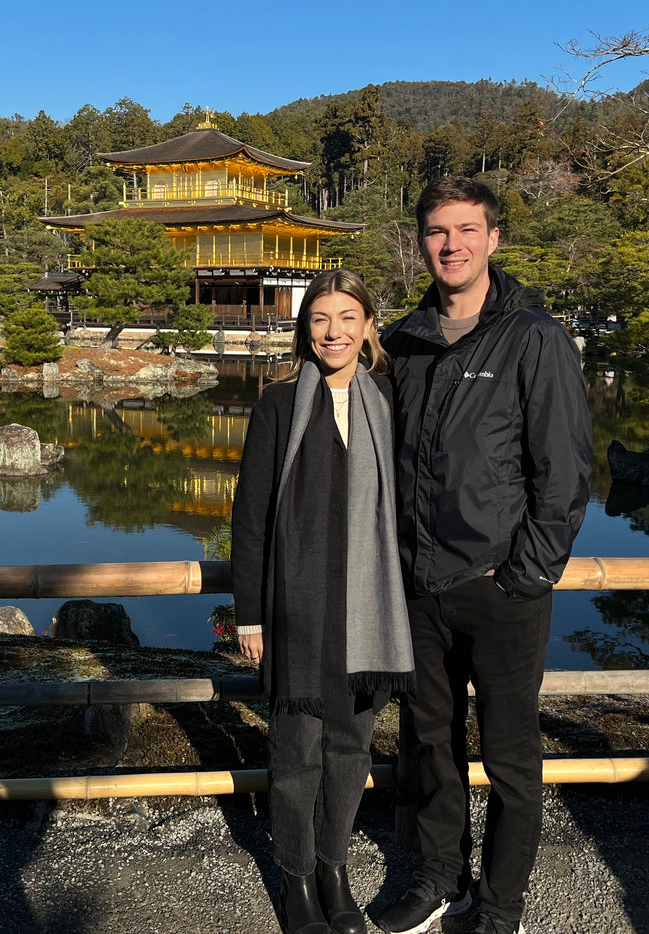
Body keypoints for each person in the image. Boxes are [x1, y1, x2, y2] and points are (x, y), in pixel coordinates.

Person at [375, 177, 593, 934]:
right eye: (437, 231)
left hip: (501, 586)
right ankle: (440, 879)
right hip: (417, 585)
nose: (451, 245)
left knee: (509, 759)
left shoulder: (532, 335)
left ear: (493, 239)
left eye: (467, 230)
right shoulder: (403, 340)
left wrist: (527, 571)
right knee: (428, 745)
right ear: (420, 242)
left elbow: (563, 470)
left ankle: (499, 907)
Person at [231, 269, 416, 934]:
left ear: (368, 325)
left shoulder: (390, 400)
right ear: (303, 328)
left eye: (346, 317)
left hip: (365, 611)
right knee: (295, 752)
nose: (333, 332)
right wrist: (248, 615)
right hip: (296, 608)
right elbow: (250, 518)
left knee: (350, 749)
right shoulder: (277, 407)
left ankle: (334, 865)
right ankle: (297, 877)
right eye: (319, 319)